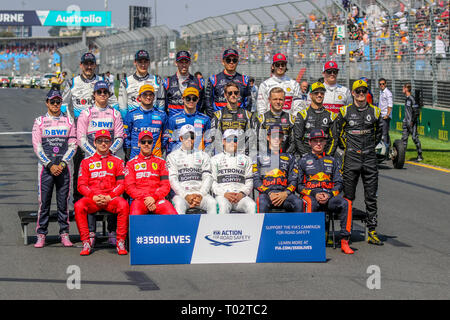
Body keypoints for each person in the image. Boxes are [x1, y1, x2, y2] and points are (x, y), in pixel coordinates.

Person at [61, 52, 118, 205]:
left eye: (91, 63)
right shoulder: (72, 82)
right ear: (81, 65)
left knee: (104, 168)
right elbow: (64, 104)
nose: (88, 67)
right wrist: (71, 124)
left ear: (95, 65)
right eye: (85, 64)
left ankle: (104, 198)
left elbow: (114, 103)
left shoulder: (103, 81)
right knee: (80, 168)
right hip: (81, 129)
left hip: (100, 129)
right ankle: (79, 200)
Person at [334, 80, 383, 245]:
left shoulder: (375, 112)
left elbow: (379, 134)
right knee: (348, 197)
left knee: (371, 197)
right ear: (352, 93)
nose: (361, 94)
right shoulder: (344, 111)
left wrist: (368, 148)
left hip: (369, 158)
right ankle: (345, 232)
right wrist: (348, 149)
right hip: (351, 159)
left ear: (367, 92)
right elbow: (338, 134)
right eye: (358, 91)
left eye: (363, 91)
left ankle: (373, 231)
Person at [76, 80, 124, 246]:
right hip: (91, 159)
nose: (102, 94)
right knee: (90, 193)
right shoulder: (86, 114)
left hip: (110, 158)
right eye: (99, 92)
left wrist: (109, 152)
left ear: (109, 95)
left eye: (105, 92)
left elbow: (119, 137)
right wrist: (95, 153)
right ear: (94, 95)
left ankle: (112, 231)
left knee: (112, 192)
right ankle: (90, 233)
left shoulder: (115, 114)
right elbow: (81, 138)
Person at [31, 89, 77, 248]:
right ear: (47, 103)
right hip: (46, 168)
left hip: (64, 167)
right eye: (53, 102)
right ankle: (41, 234)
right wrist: (50, 165)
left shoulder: (69, 122)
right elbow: (37, 147)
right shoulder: (39, 121)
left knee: (63, 202)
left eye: (58, 102)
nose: (56, 104)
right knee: (44, 202)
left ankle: (64, 233)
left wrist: (62, 164)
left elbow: (73, 146)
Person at [298, 129, 353, 254]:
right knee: (310, 203)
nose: (318, 143)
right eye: (315, 141)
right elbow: (299, 186)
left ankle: (345, 242)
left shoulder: (333, 160)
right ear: (309, 143)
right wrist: (314, 194)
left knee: (347, 203)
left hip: (329, 196)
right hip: (311, 196)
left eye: (321, 141)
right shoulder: (302, 160)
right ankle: (308, 240)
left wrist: (328, 194)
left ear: (325, 143)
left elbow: (339, 183)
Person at [74, 130, 129, 256]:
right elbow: (81, 185)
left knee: (124, 205)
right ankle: (86, 242)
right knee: (78, 206)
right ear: (94, 143)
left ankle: (120, 241)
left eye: (106, 141)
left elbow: (122, 184)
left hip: (111, 198)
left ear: (110, 143)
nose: (103, 144)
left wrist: (110, 196)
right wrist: (93, 196)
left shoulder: (118, 161)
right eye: (100, 141)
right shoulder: (86, 162)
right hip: (93, 199)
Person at [166, 124, 217, 214]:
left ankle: (212, 228)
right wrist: (185, 195)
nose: (189, 139)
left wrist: (200, 194)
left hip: (200, 194)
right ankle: (180, 228)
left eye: (192, 136)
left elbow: (208, 177)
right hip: (181, 195)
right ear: (181, 138)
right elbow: (172, 179)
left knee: (212, 203)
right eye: (186, 137)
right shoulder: (172, 156)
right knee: (179, 204)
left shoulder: (203, 155)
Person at [125, 130, 178, 215]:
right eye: (143, 142)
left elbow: (165, 185)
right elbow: (129, 187)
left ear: (152, 144)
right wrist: (146, 199)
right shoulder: (131, 163)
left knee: (171, 212)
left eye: (149, 142)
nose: (146, 144)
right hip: (140, 200)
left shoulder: (161, 162)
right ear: (138, 144)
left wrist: (154, 197)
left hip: (158, 199)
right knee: (135, 212)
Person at [254, 126, 303, 213]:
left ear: (282, 139)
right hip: (267, 194)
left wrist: (285, 193)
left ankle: (294, 226)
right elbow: (256, 180)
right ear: (268, 137)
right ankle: (263, 227)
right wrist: (269, 193)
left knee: (298, 202)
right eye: (273, 136)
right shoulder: (258, 157)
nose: (276, 139)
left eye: (279, 137)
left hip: (285, 194)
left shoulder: (290, 157)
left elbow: (294, 180)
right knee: (262, 202)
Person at [211, 129, 256, 214]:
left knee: (252, 205)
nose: (232, 142)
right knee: (223, 206)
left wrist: (241, 194)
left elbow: (249, 181)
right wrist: (224, 194)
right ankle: (220, 227)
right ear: (223, 142)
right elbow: (212, 182)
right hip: (223, 196)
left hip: (240, 196)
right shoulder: (214, 159)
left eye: (235, 140)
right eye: (229, 140)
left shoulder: (247, 159)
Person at [123, 84, 168, 161]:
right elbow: (126, 134)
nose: (148, 97)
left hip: (155, 155)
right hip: (136, 156)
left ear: (154, 97)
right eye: (145, 95)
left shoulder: (162, 115)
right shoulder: (131, 114)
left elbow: (166, 134)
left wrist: (162, 147)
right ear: (139, 97)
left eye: (150, 94)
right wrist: (128, 150)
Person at [292, 82, 337, 158]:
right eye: (316, 93)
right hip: (306, 157)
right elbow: (297, 138)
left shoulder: (331, 115)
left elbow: (334, 139)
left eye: (322, 93)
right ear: (310, 95)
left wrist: (327, 156)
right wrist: (306, 156)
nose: (319, 95)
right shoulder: (303, 114)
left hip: (324, 157)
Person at [203, 49, 252, 118]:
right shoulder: (214, 79)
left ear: (237, 62)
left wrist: (244, 118)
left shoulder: (245, 80)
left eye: (234, 60)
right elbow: (208, 103)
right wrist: (214, 119)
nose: (231, 62)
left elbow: (248, 103)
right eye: (228, 60)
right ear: (223, 62)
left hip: (239, 120)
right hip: (220, 121)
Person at [118, 49, 165, 119]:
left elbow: (161, 105)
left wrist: (157, 121)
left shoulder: (157, 81)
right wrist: (127, 123)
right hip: (134, 123)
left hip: (153, 122)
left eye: (145, 62)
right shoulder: (125, 82)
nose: (143, 65)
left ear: (149, 63)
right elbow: (122, 107)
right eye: (140, 62)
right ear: (135, 62)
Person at [210, 82, 254, 155]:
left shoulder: (247, 115)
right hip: (224, 154)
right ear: (225, 95)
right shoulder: (218, 115)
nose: (233, 95)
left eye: (236, 93)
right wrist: (223, 154)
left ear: (239, 94)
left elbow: (251, 137)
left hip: (242, 154)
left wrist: (244, 153)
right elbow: (215, 138)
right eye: (230, 93)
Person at [165, 87, 211, 153]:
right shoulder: (173, 119)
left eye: (194, 99)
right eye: (188, 98)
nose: (191, 101)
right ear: (183, 99)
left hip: (198, 156)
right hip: (180, 156)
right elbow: (170, 142)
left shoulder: (205, 119)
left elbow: (208, 142)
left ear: (198, 100)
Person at [252, 87, 295, 154]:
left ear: (284, 100)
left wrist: (285, 156)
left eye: (280, 99)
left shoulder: (291, 119)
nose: (278, 102)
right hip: (266, 157)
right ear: (269, 100)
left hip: (285, 157)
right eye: (275, 99)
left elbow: (293, 142)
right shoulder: (262, 119)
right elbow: (259, 141)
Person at [163, 51, 205, 117]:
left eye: (186, 62)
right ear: (176, 63)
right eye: (181, 62)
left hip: (193, 121)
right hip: (173, 122)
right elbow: (164, 106)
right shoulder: (167, 82)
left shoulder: (199, 82)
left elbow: (202, 105)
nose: (184, 65)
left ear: (189, 63)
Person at [402, 83, 423, 161]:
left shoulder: (412, 99)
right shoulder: (406, 98)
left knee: (414, 138)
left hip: (411, 123)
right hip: (406, 122)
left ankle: (420, 155)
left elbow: (416, 112)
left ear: (406, 89)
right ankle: (402, 156)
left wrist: (412, 121)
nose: (402, 89)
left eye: (403, 87)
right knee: (404, 139)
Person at [378, 78, 393, 145]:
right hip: (381, 115)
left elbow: (390, 105)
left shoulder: (388, 93)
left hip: (385, 116)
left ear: (385, 84)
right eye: (380, 84)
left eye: (383, 84)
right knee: (382, 132)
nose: (381, 85)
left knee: (384, 133)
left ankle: (386, 150)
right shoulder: (381, 92)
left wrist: (387, 115)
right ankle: (387, 146)